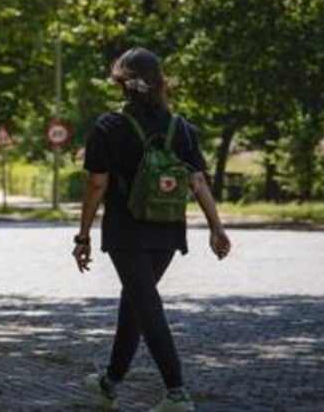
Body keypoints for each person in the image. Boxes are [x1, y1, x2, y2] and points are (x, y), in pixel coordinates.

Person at [73, 47, 231, 412]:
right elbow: (198, 181)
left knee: (146, 304)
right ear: (160, 82)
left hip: (126, 232)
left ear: (122, 84)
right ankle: (109, 385)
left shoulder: (108, 127)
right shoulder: (182, 128)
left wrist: (82, 236)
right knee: (136, 303)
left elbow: (96, 185)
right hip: (168, 231)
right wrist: (215, 227)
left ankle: (177, 394)